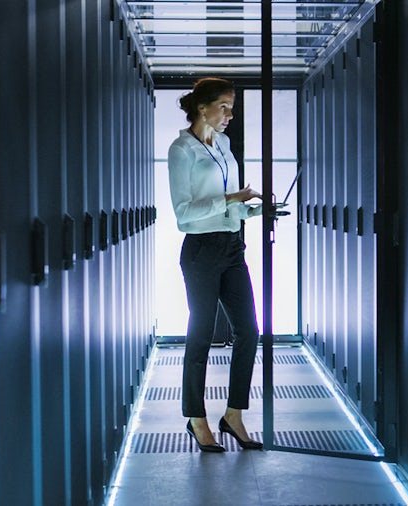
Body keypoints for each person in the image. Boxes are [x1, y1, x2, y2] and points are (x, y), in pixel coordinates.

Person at [167, 78, 264, 452]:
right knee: (201, 336)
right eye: (223, 106)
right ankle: (196, 418)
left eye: (232, 107)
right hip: (201, 251)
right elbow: (183, 215)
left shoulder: (223, 145)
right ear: (201, 108)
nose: (229, 115)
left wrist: (249, 209)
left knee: (249, 331)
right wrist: (230, 198)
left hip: (231, 246)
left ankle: (233, 414)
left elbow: (228, 207)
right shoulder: (182, 150)